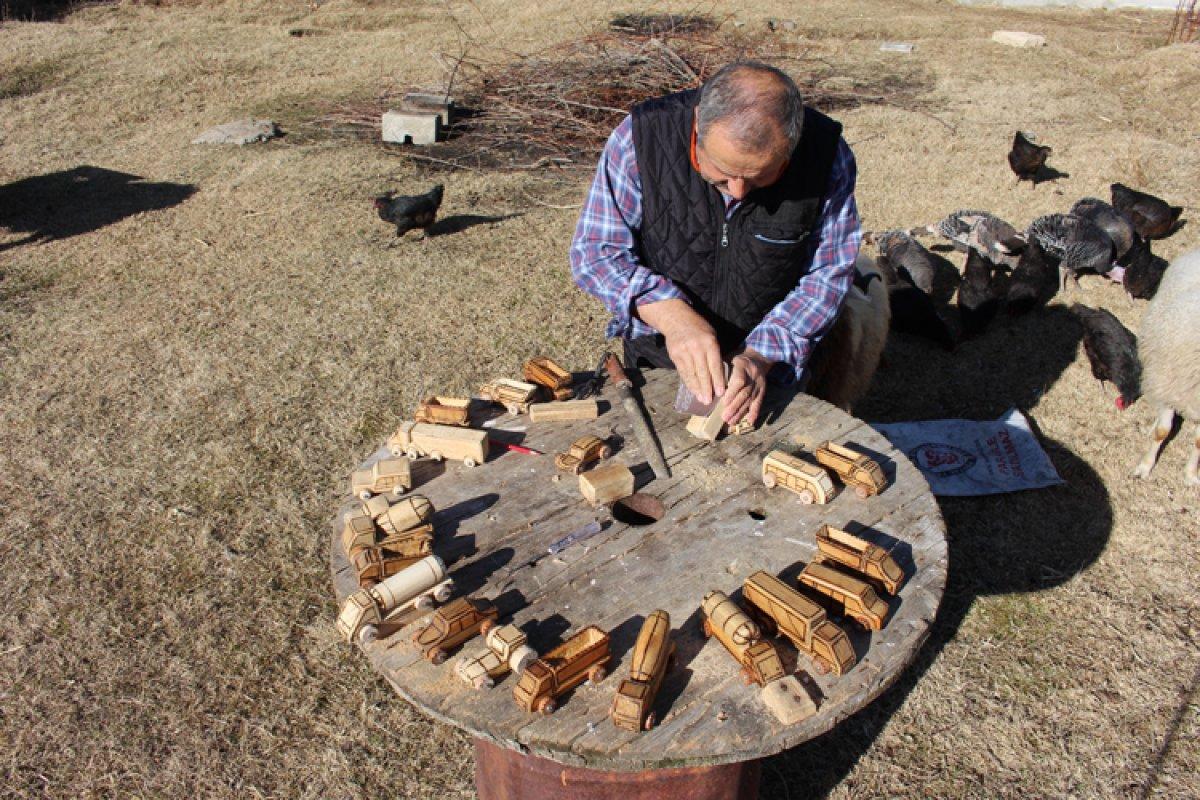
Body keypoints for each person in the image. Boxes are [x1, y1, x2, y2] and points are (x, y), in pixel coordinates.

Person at [569, 61, 862, 427]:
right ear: (697, 126)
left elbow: (829, 276)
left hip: (773, 373)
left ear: (791, 145)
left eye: (758, 178)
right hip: (660, 363)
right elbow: (596, 252)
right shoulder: (642, 139)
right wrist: (672, 316)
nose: (738, 191)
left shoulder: (826, 155)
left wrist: (761, 355)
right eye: (723, 173)